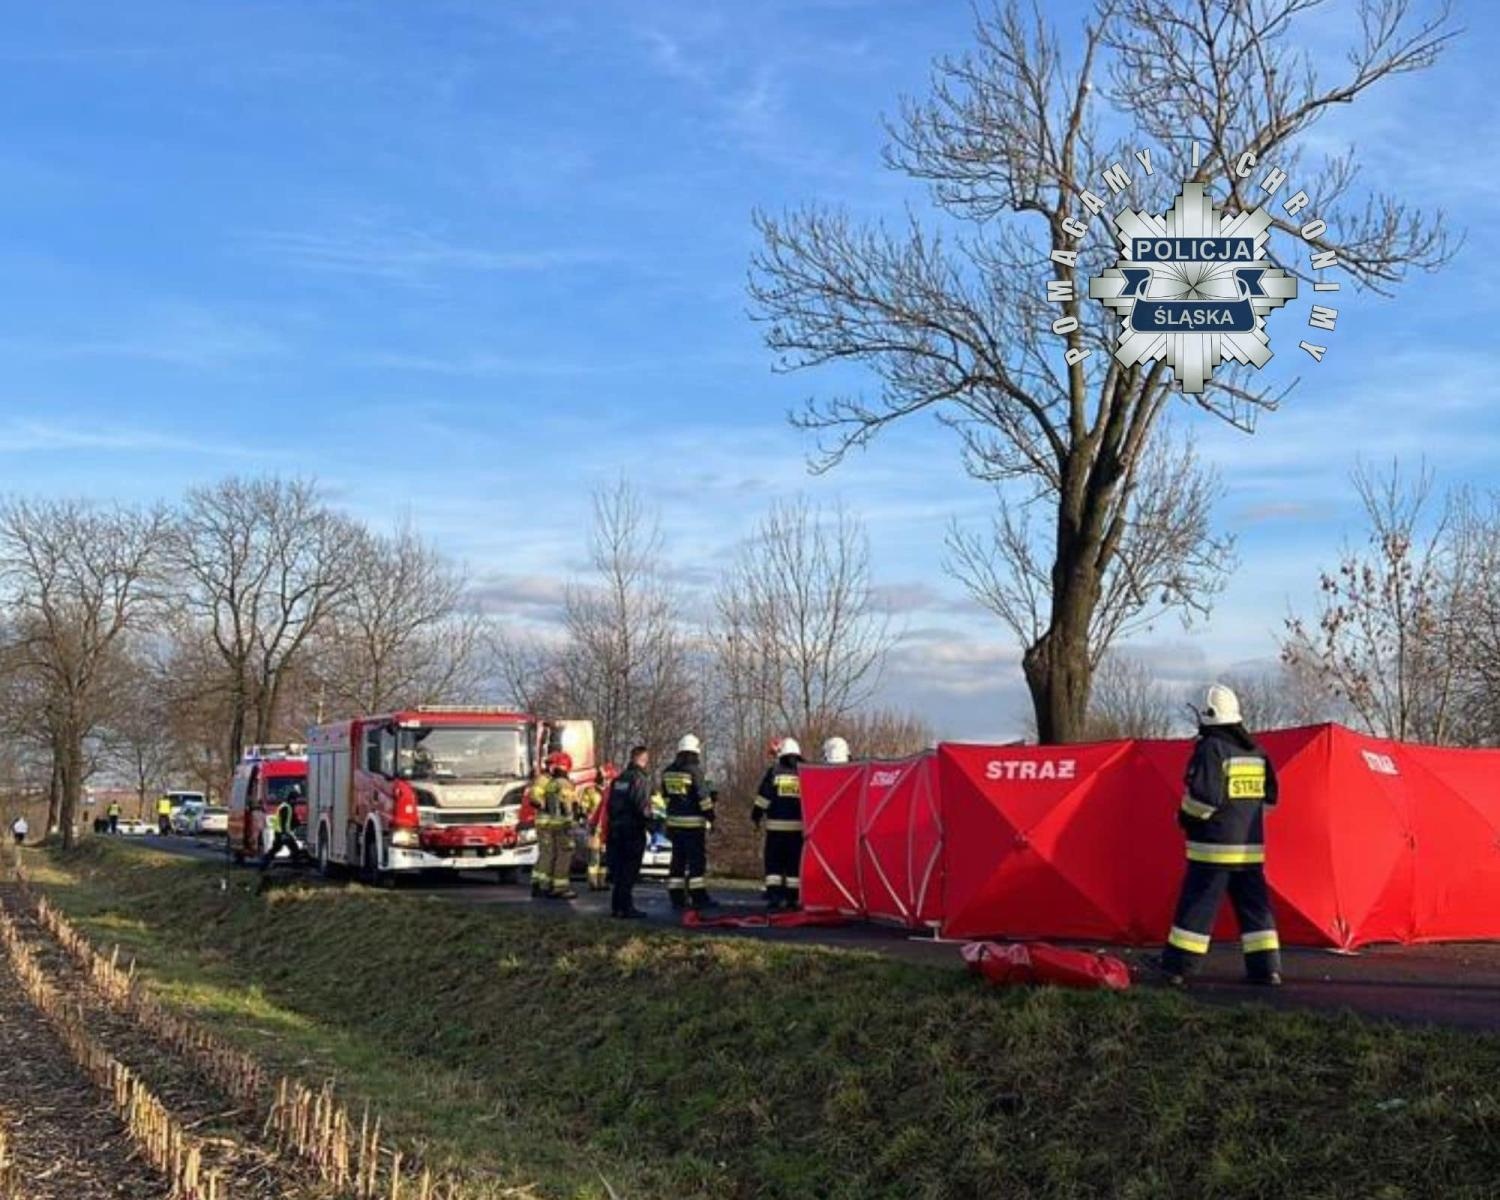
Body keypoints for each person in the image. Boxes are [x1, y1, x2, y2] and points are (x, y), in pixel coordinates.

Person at [1156, 684, 1282, 988]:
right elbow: (1271, 799)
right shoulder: (1255, 750)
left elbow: (1203, 799)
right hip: (1249, 850)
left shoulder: (1212, 748)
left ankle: (1178, 968)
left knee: (1197, 908)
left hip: (1212, 850)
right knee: (1255, 912)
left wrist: (1184, 817)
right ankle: (1267, 969)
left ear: (1207, 715)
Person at [662, 734, 716, 910]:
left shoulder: (668, 771)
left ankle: (676, 897)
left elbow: (665, 797)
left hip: (674, 824)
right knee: (696, 862)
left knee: (677, 860)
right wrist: (711, 817)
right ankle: (698, 897)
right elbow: (703, 798)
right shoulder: (695, 771)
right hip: (693, 825)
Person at [755, 738, 806, 910]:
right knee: (794, 864)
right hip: (798, 829)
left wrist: (756, 815)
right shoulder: (804, 773)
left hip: (776, 828)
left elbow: (764, 797)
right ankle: (793, 898)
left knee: (774, 863)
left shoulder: (775, 772)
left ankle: (774, 896)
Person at [606, 748, 652, 918]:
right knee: (630, 870)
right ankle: (627, 908)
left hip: (616, 829)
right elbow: (641, 805)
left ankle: (616, 907)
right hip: (633, 829)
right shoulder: (640, 779)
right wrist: (650, 823)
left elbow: (610, 805)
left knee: (619, 870)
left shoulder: (618, 780)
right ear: (643, 759)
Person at [531, 752, 578, 900]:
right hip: (552, 824)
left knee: (548, 854)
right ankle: (550, 886)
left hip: (549, 823)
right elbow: (536, 799)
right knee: (552, 854)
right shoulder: (547, 780)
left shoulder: (550, 781)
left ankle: (540, 884)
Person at [584, 764, 616, 892]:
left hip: (606, 827)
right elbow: (585, 807)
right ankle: (593, 882)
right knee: (594, 856)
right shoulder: (591, 791)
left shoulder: (611, 791)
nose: (605, 780)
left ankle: (602, 881)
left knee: (603, 856)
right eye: (603, 777)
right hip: (595, 826)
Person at [260, 793, 299, 870]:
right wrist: (284, 833)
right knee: (294, 849)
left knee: (276, 848)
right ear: (291, 799)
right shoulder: (287, 807)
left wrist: (296, 823)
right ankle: (296, 866)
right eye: (295, 799)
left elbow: (291, 819)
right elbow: (284, 821)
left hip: (280, 832)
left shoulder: (286, 806)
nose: (296, 801)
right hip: (283, 833)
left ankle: (264, 863)